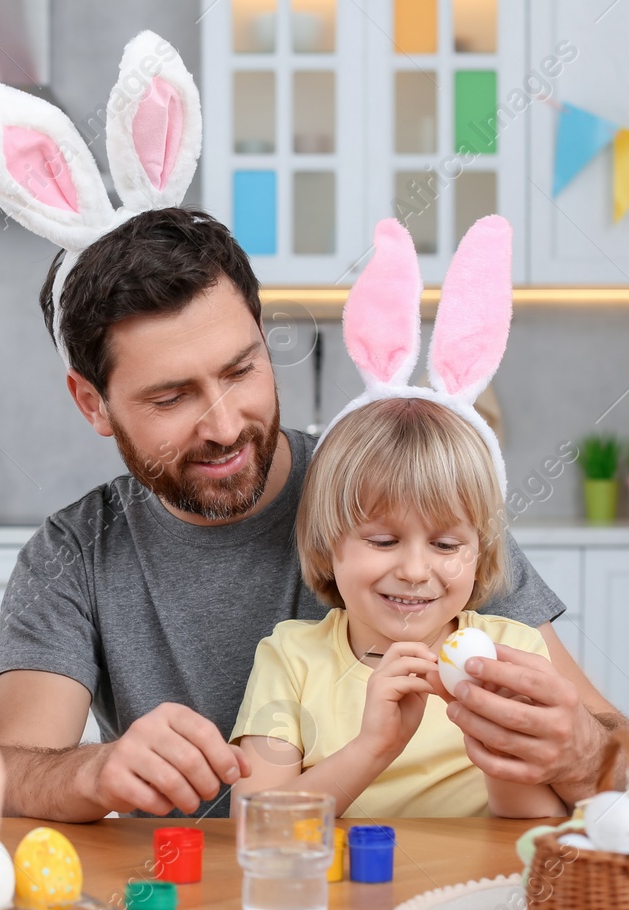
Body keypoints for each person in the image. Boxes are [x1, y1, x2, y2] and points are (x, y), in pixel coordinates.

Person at [0, 33, 629, 821]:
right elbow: (2, 773)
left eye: (242, 368)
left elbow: (619, 758)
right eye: (172, 396)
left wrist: (583, 752)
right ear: (91, 403)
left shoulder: (392, 485)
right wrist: (94, 771)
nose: (224, 423)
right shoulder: (78, 555)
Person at [232, 216, 565, 819]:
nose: (415, 570)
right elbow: (256, 822)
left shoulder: (513, 652)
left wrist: (498, 742)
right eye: (384, 539)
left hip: (469, 907)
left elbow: (539, 827)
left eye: (445, 545)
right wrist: (373, 747)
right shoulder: (291, 658)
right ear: (329, 545)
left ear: (482, 553)